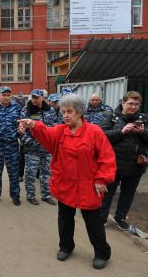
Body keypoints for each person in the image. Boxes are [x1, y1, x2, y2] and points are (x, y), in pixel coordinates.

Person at [18, 93, 116, 269]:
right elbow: (46, 134)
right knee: (65, 220)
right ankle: (66, 247)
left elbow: (107, 158)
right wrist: (33, 124)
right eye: (63, 112)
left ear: (79, 112)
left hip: (88, 185)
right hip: (65, 184)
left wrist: (102, 179)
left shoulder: (94, 132)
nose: (65, 115)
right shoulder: (60, 131)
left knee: (93, 223)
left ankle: (102, 253)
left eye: (69, 111)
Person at [100, 91, 148, 230]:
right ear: (123, 103)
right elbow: (101, 135)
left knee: (128, 193)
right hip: (113, 163)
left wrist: (142, 132)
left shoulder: (144, 118)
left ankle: (120, 217)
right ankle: (102, 217)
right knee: (108, 191)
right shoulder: (111, 117)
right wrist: (122, 131)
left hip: (136, 164)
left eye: (136, 104)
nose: (133, 107)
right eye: (130, 104)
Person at [20, 89, 56, 206]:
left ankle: (46, 195)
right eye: (33, 97)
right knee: (30, 174)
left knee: (47, 173)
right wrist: (28, 142)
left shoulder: (51, 110)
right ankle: (30, 195)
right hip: (32, 149)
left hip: (47, 149)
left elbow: (57, 125)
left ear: (43, 98)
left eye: (37, 97)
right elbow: (21, 130)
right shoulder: (26, 111)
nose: (34, 100)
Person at [0, 86, 21, 205]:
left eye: (8, 95)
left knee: (14, 172)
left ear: (10, 96)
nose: (6, 97)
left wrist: (21, 129)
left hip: (12, 145)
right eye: (3, 95)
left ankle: (15, 195)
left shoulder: (17, 108)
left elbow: (21, 123)